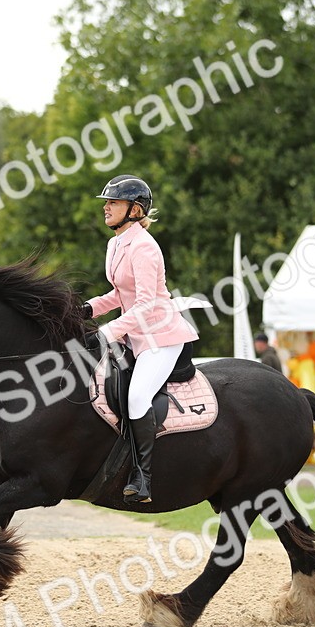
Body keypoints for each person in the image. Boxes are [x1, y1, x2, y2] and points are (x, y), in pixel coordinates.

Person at [85, 174, 198, 504]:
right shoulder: (116, 243)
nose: (106, 208)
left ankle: (143, 477)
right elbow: (120, 294)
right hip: (134, 334)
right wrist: (86, 309)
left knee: (136, 398)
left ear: (134, 210)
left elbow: (147, 302)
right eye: (106, 202)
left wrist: (108, 331)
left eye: (113, 203)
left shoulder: (146, 247)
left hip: (161, 336)